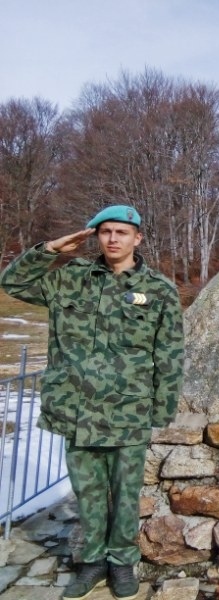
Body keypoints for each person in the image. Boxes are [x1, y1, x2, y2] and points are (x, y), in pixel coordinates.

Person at [0, 205, 184, 600]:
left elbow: (169, 354)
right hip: (77, 409)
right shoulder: (70, 279)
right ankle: (92, 563)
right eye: (105, 232)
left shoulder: (159, 290)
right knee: (88, 493)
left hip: (128, 411)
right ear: (96, 237)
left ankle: (122, 563)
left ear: (138, 238)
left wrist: (162, 409)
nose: (113, 239)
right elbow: (12, 284)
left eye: (121, 232)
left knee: (125, 493)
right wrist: (49, 249)